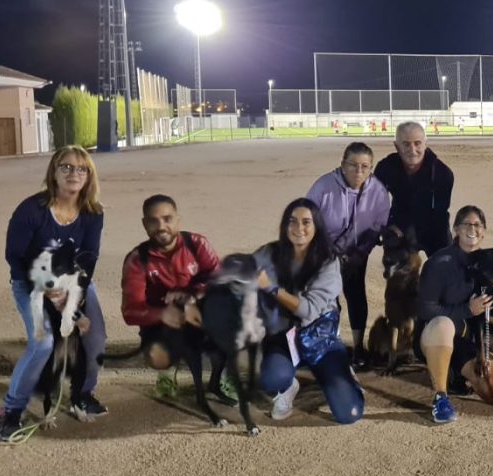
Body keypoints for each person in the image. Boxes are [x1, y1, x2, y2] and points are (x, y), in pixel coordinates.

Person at [0, 146, 110, 441]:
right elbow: (15, 257)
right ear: (54, 172)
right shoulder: (31, 210)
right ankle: (10, 411)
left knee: (94, 336)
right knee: (43, 345)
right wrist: (47, 292)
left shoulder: (93, 213)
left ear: (89, 176)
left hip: (73, 283)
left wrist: (74, 300)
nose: (74, 173)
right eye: (66, 167)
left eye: (81, 169)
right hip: (29, 284)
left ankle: (82, 394)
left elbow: (88, 259)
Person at [254, 198, 365, 424]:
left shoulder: (328, 262)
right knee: (271, 379)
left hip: (319, 337)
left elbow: (309, 310)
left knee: (348, 414)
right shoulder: (269, 252)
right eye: (292, 222)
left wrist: (272, 289)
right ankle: (287, 388)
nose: (299, 228)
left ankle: (344, 376)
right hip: (282, 335)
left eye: (306, 222)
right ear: (285, 226)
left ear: (317, 227)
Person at [120, 194, 237, 401]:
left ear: (178, 219)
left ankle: (220, 379)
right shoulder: (137, 260)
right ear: (144, 224)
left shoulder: (197, 244)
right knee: (158, 357)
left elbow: (218, 280)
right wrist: (162, 314)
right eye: (154, 221)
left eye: (167, 219)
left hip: (196, 311)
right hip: (161, 324)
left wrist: (192, 296)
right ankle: (167, 372)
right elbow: (130, 311)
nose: (161, 226)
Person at [414, 205, 493, 424]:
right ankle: (440, 398)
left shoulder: (491, 260)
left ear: (484, 231)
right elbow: (425, 310)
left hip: (473, 342)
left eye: (477, 225)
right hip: (436, 336)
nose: (472, 229)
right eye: (466, 224)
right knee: (444, 324)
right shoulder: (439, 263)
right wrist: (468, 310)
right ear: (455, 230)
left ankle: (459, 374)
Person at [306, 142, 390, 369]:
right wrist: (327, 254)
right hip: (323, 255)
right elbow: (307, 221)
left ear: (371, 168)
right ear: (342, 165)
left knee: (355, 296)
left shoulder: (378, 191)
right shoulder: (323, 186)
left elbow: (377, 228)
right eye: (353, 165)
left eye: (365, 166)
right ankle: (328, 346)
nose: (358, 171)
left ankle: (358, 348)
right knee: (327, 300)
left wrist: (359, 254)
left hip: (357, 255)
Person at [375, 121, 455, 257]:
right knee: (397, 272)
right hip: (399, 225)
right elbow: (375, 204)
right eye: (406, 144)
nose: (412, 150)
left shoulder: (443, 173)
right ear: (396, 146)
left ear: (425, 144)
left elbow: (441, 213)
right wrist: (388, 225)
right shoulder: (385, 168)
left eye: (417, 143)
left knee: (445, 266)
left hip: (434, 225)